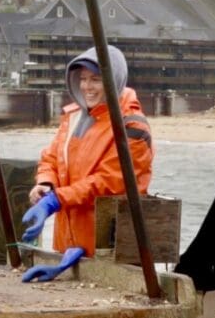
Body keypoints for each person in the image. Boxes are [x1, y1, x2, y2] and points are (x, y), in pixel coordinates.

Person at [22, 45, 154, 255]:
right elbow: (51, 158)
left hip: (110, 251)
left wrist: (57, 199)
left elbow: (110, 182)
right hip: (66, 244)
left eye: (96, 79)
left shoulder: (132, 126)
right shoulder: (73, 115)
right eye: (83, 79)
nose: (86, 86)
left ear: (113, 81)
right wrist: (45, 184)